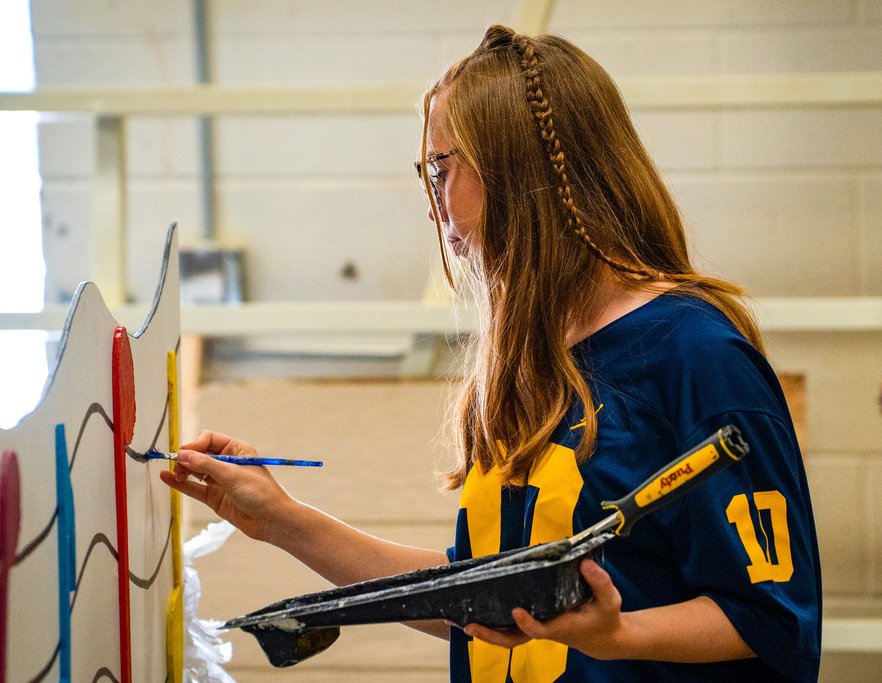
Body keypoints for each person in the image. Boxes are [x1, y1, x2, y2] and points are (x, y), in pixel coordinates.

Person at [162, 24, 822, 683]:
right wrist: (282, 519)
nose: (434, 203)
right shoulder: (533, 359)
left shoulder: (695, 353)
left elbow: (773, 620)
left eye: (443, 169)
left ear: (516, 172)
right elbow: (484, 606)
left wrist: (618, 633)